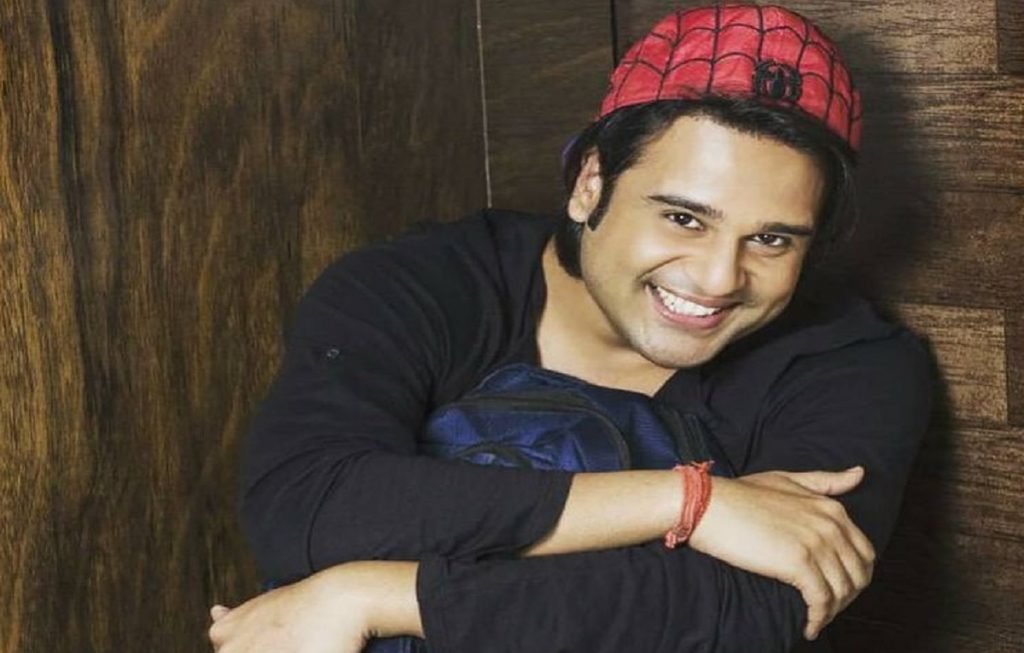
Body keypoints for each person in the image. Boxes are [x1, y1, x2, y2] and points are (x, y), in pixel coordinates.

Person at [208, 4, 932, 652]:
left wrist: (370, 597)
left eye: (771, 240)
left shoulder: (851, 365)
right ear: (591, 184)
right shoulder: (423, 285)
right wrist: (691, 502)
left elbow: (754, 607)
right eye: (683, 218)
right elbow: (306, 507)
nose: (718, 278)